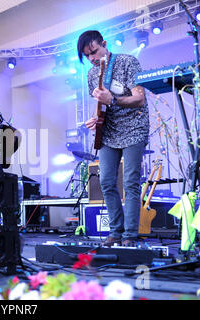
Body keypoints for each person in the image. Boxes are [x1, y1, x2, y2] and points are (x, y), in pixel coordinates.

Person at [77, 30, 149, 247]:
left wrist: (114, 100)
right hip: (108, 131)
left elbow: (140, 98)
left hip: (134, 128)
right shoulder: (91, 74)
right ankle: (115, 232)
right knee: (107, 181)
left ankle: (130, 236)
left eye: (94, 52)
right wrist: (94, 119)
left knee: (130, 182)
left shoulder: (128, 62)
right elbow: (100, 105)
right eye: (87, 56)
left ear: (104, 44)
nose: (91, 58)